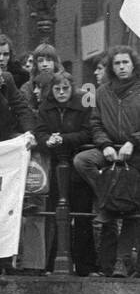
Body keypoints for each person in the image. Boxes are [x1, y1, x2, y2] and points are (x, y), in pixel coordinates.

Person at [74, 45, 140, 277]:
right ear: (112, 67)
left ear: (133, 65)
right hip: (111, 150)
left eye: (126, 63)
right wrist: (106, 145)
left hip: (137, 153)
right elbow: (95, 123)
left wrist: (133, 142)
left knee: (134, 202)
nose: (122, 67)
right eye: (117, 63)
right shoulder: (102, 92)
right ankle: (110, 194)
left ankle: (122, 263)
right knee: (83, 160)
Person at [34, 71, 95, 275]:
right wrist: (46, 141)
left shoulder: (82, 106)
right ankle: (52, 264)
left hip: (76, 165)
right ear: (51, 90)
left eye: (65, 89)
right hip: (55, 166)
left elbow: (88, 133)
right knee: (55, 215)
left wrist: (64, 139)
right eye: (57, 89)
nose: (61, 93)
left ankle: (86, 266)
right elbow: (39, 131)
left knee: (82, 214)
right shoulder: (45, 108)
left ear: (72, 88)